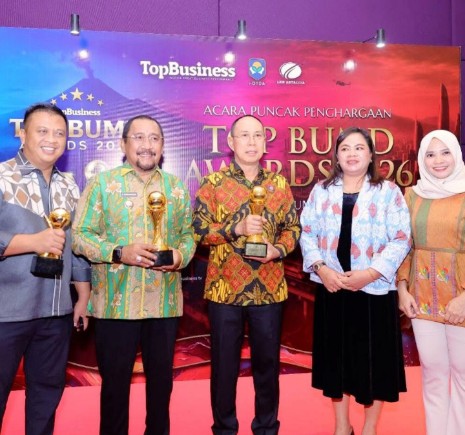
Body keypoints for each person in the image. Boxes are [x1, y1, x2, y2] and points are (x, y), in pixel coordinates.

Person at [72, 114, 195, 435]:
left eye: (154, 138)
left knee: (161, 388)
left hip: (163, 304)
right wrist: (118, 252)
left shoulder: (176, 187)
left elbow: (188, 234)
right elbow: (80, 236)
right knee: (114, 389)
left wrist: (181, 256)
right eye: (139, 137)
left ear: (163, 146)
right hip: (115, 304)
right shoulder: (103, 184)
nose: (147, 145)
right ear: (123, 144)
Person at [193, 114, 301, 435]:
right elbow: (198, 231)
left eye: (257, 135)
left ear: (265, 142)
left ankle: (266, 428)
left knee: (267, 366)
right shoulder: (213, 183)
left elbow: (293, 229)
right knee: (224, 367)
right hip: (224, 289)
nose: (251, 142)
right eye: (244, 135)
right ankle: (224, 429)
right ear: (231, 142)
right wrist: (235, 228)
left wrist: (277, 250)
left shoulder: (279, 184)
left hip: (269, 288)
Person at [300, 126, 411, 435]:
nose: (352, 154)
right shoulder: (321, 191)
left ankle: (369, 428)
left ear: (371, 155)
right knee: (337, 363)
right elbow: (306, 233)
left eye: (359, 148)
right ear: (336, 156)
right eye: (345, 148)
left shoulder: (388, 191)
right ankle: (341, 426)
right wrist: (322, 269)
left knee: (374, 365)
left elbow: (402, 238)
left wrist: (371, 273)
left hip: (374, 291)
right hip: (332, 288)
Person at [0, 103, 91, 435]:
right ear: (23, 134)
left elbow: (76, 246)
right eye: (42, 131)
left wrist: (83, 296)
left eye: (59, 133)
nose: (51, 139)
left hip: (56, 313)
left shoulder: (69, 185)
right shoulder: (2, 176)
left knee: (45, 401)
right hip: (6, 314)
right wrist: (32, 241)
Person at [397, 130, 465, 435]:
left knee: (463, 377)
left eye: (445, 152)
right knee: (433, 375)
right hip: (421, 297)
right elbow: (405, 246)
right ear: (421, 159)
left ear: (457, 154)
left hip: (461, 298)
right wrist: (402, 289)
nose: (438, 160)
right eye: (430, 154)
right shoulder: (412, 195)